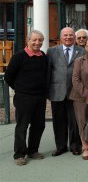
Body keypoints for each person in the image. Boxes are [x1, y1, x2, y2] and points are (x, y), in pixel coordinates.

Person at [5, 30, 48, 166]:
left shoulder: (43, 56)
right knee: (22, 126)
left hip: (40, 97)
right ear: (27, 40)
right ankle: (19, 154)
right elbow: (8, 77)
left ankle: (33, 150)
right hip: (24, 97)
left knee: (39, 125)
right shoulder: (19, 56)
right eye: (34, 40)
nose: (37, 43)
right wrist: (20, 89)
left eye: (40, 40)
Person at [47, 27, 85, 156]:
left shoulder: (82, 51)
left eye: (70, 35)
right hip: (57, 91)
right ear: (61, 37)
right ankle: (61, 146)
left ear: (74, 37)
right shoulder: (51, 51)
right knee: (59, 121)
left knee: (74, 121)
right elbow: (48, 72)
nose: (68, 37)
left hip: (75, 92)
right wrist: (47, 90)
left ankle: (75, 145)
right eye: (65, 35)